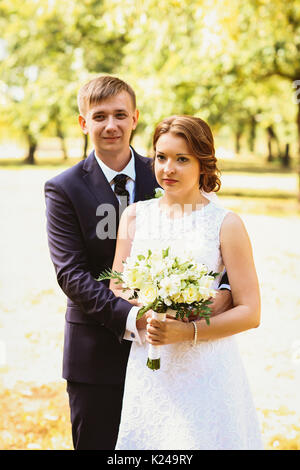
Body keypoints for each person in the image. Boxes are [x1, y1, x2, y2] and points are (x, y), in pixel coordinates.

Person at [44, 76, 232, 450]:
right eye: (99, 117)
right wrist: (135, 318)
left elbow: (210, 238)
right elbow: (71, 274)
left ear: (135, 118)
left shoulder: (170, 168)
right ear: (84, 123)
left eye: (119, 115)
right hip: (94, 352)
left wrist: (223, 293)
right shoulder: (63, 188)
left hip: (174, 354)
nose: (110, 125)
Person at [112, 115, 263, 450]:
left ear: (203, 163)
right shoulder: (134, 216)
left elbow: (251, 312)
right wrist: (151, 309)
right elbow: (118, 288)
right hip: (150, 364)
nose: (169, 168)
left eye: (183, 159)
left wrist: (189, 331)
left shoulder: (226, 224)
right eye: (162, 157)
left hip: (208, 368)